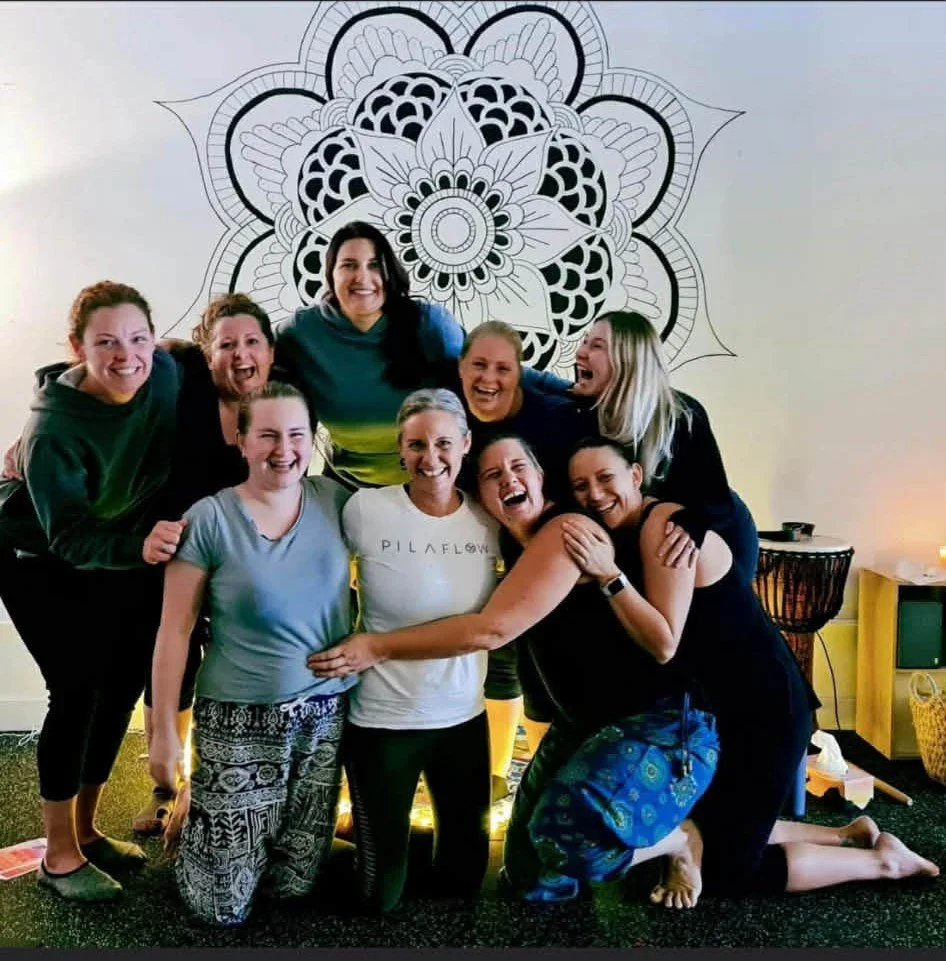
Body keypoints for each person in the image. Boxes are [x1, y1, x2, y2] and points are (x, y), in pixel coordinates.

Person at [308, 434, 721, 904]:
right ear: (482, 496)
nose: (508, 479)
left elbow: (491, 631)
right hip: (582, 726)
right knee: (532, 882)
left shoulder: (567, 530)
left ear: (541, 478)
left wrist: (378, 646)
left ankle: (680, 840)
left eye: (518, 467)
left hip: (659, 722)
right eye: (492, 475)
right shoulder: (504, 537)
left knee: (567, 843)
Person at [563, 437, 939, 905]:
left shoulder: (662, 526)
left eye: (605, 478)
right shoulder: (640, 527)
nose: (594, 495)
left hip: (768, 710)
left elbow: (663, 642)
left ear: (636, 476)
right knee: (716, 827)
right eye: (580, 486)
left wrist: (606, 575)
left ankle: (885, 861)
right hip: (731, 709)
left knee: (727, 872)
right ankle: (848, 835)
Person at [0, 281, 184, 902]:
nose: (125, 355)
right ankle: (58, 856)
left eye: (137, 338)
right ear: (78, 347)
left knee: (122, 683)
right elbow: (70, 539)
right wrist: (138, 547)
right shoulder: (53, 432)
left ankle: (87, 831)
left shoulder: (164, 369)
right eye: (105, 342)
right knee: (76, 688)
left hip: (119, 545)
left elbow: (198, 351)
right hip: (35, 556)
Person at [148, 382, 355, 928]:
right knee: (222, 908)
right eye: (266, 435)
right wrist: (163, 733)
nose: (282, 449)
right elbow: (174, 631)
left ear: (312, 441)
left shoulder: (338, 503)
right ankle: (198, 827)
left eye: (295, 435)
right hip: (238, 718)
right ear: (240, 441)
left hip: (324, 714)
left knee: (292, 885)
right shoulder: (209, 519)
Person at [337, 388, 499, 914]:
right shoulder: (366, 509)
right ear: (400, 450)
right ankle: (361, 845)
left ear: (467, 443)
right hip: (383, 723)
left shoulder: (489, 518)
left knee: (462, 882)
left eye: (444, 443)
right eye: (417, 445)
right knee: (378, 897)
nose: (432, 458)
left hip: (463, 722)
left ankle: (386, 840)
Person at [132, 292, 282, 835]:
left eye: (251, 342)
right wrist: (31, 432)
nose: (240, 355)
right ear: (206, 351)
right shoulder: (180, 376)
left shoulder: (285, 395)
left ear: (269, 348)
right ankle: (164, 785)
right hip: (175, 546)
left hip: (247, 551)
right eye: (226, 345)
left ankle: (229, 770)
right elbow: (86, 374)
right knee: (175, 655)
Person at [273, 221, 570, 490]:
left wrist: (568, 390)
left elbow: (486, 372)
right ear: (330, 274)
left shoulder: (427, 323)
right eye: (348, 265)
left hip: (435, 481)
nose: (362, 277)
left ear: (389, 271)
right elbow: (260, 377)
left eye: (375, 265)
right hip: (349, 484)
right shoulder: (302, 333)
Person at [451, 320, 588, 802]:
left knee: (547, 667)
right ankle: (512, 777)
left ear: (520, 373)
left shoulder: (553, 418)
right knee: (516, 664)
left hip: (557, 553)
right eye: (479, 365)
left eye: (503, 368)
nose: (489, 378)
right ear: (461, 368)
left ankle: (552, 772)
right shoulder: (451, 409)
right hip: (486, 545)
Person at [571, 310, 758, 582]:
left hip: (718, 533)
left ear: (629, 358)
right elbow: (536, 383)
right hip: (657, 539)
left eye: (596, 346)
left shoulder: (682, 414)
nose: (581, 353)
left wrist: (693, 524)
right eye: (585, 342)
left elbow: (714, 500)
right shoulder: (583, 412)